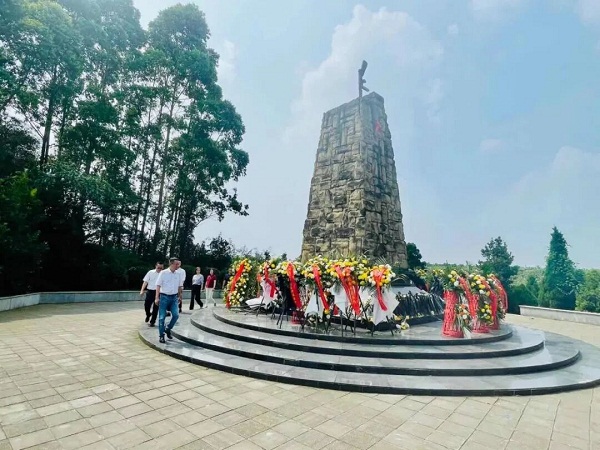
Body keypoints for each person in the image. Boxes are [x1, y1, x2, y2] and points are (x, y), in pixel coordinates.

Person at [155, 257, 183, 343]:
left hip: (174, 298)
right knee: (161, 318)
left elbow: (179, 286)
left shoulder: (178, 274)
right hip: (164, 297)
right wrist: (157, 298)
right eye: (176, 264)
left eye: (178, 264)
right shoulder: (163, 273)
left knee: (176, 315)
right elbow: (158, 285)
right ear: (171, 264)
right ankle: (161, 335)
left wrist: (180, 296)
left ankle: (168, 328)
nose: (177, 266)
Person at [140, 262, 163, 326]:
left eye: (161, 268)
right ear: (155, 266)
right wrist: (142, 290)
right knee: (146, 305)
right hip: (150, 291)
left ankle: (152, 321)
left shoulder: (164, 274)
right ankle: (148, 314)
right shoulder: (150, 272)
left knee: (156, 308)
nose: (159, 269)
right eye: (158, 268)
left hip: (159, 292)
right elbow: (145, 282)